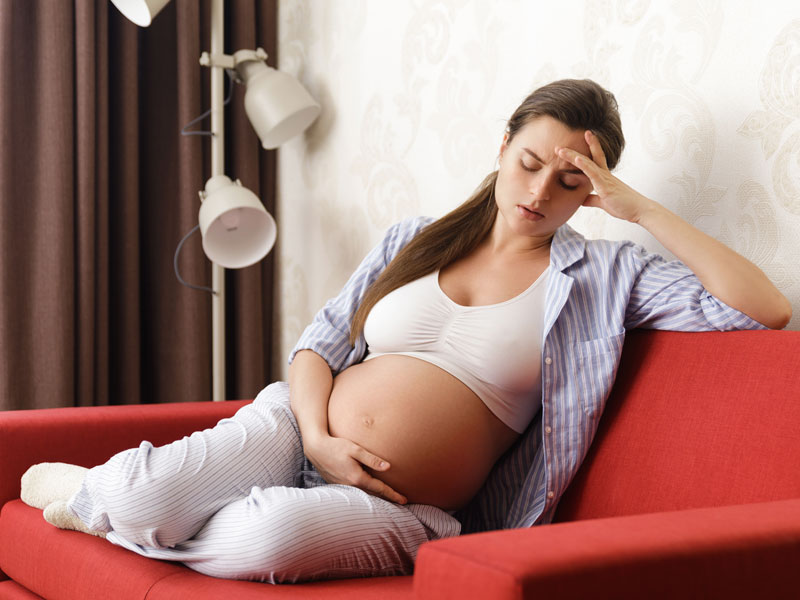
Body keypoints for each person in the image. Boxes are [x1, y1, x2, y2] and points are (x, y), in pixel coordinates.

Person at [21, 79, 792, 583]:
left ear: (592, 194)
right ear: (501, 150)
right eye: (528, 162)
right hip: (298, 428)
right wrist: (320, 438)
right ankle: (110, 495)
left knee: (269, 542)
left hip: (404, 507)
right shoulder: (415, 238)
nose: (538, 190)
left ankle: (109, 509)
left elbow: (764, 309)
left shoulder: (608, 277)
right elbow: (318, 344)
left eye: (569, 181)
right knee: (142, 486)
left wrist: (638, 208)